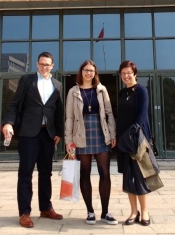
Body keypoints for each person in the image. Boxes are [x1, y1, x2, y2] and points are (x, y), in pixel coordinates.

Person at [2, 52, 64, 228]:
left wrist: (58, 132)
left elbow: (58, 111)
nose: (45, 67)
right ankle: (24, 213)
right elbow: (15, 103)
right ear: (37, 64)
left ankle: (45, 208)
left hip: (48, 135)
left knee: (46, 173)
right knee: (26, 173)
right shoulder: (27, 80)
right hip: (29, 133)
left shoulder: (57, 84)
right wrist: (8, 122)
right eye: (42, 64)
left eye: (48, 65)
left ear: (52, 66)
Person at [65, 60, 118, 225]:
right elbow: (69, 117)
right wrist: (68, 140)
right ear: (81, 72)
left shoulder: (101, 90)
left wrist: (112, 134)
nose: (89, 73)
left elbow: (109, 113)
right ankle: (90, 211)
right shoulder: (73, 92)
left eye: (92, 71)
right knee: (85, 174)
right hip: (80, 134)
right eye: (86, 70)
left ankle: (105, 212)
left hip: (101, 133)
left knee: (105, 173)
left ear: (95, 73)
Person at [116, 60, 153, 226]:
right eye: (123, 73)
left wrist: (132, 136)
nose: (125, 76)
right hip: (124, 141)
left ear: (134, 74)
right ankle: (133, 211)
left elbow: (142, 116)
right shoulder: (122, 93)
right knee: (128, 177)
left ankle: (144, 211)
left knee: (140, 177)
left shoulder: (141, 90)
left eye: (128, 73)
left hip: (137, 139)